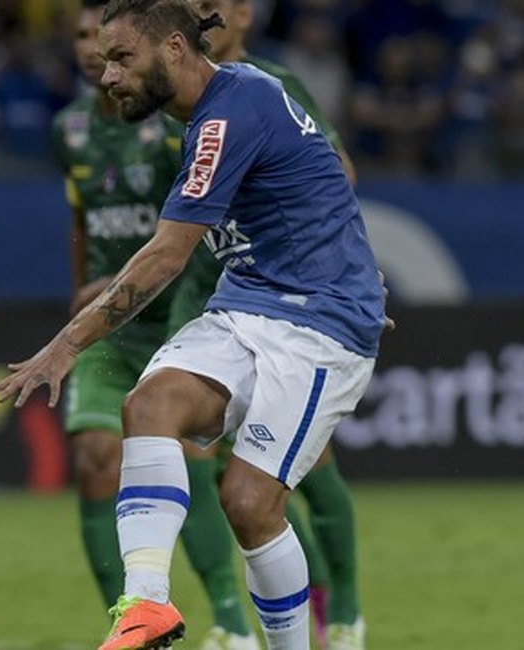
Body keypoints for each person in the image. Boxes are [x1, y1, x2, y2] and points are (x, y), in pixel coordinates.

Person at [0, 1, 387, 649]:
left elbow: (169, 255)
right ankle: (146, 604)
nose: (107, 74)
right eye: (102, 60)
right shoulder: (211, 113)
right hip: (247, 304)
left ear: (174, 47)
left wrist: (63, 346)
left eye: (122, 58)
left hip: (319, 323)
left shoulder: (232, 110)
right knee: (148, 406)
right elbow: (316, 191)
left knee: (249, 503)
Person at [52, 2, 258, 648]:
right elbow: (83, 219)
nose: (94, 52)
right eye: (85, 39)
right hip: (111, 321)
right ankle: (131, 616)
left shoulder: (174, 117)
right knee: (93, 459)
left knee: (201, 465)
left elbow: (199, 224)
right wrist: (85, 289)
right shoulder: (70, 130)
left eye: (108, 44)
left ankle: (228, 614)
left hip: (176, 310)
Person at [183, 2, 366, 647]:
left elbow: (335, 174)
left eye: (215, 4)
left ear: (244, 15)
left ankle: (341, 607)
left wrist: (343, 265)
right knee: (190, 456)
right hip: (206, 294)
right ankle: (231, 620)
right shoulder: (173, 90)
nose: (202, 14)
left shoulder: (273, 84)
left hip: (288, 297)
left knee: (301, 470)